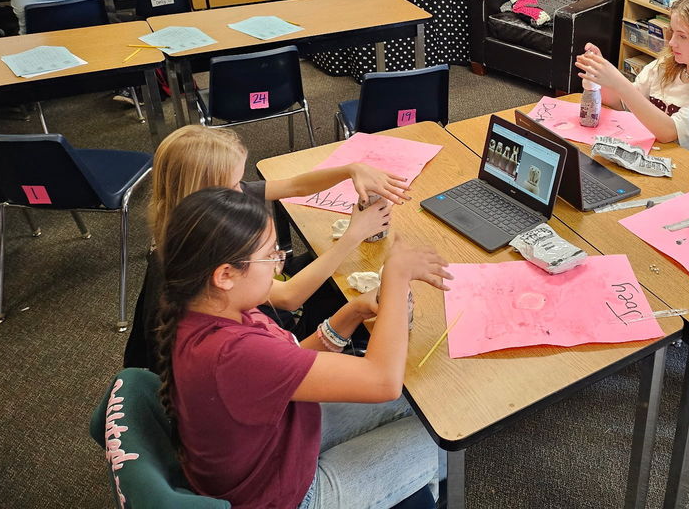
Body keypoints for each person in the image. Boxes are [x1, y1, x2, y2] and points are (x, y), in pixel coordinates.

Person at [156, 187, 450, 508]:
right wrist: (396, 278)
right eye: (270, 256)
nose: (279, 267)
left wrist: (349, 314)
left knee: (427, 404)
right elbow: (383, 381)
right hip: (287, 496)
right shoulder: (234, 353)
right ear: (225, 274)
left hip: (280, 442)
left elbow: (292, 362)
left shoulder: (213, 306)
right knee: (444, 440)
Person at [124, 125, 407, 370]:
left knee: (327, 274)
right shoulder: (207, 251)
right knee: (340, 293)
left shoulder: (197, 209)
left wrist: (350, 169)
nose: (242, 190)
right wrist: (353, 236)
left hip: (240, 328)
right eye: (235, 183)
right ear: (207, 190)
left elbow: (295, 186)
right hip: (254, 339)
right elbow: (288, 297)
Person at [574, 0, 689, 163]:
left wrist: (618, 82)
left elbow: (669, 133)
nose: (672, 43)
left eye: (682, 36)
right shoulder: (667, 65)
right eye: (673, 33)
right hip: (648, 156)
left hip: (686, 171)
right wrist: (598, 74)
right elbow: (621, 103)